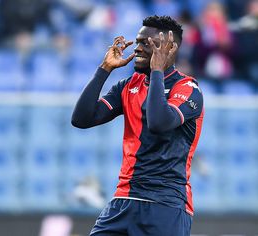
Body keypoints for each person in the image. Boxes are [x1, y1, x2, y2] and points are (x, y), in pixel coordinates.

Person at [71, 15, 204, 236]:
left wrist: (157, 71)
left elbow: (159, 122)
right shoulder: (128, 86)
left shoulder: (189, 89)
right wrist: (104, 69)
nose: (138, 49)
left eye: (147, 43)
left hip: (166, 204)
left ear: (169, 48)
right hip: (123, 201)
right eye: (138, 41)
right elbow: (81, 119)